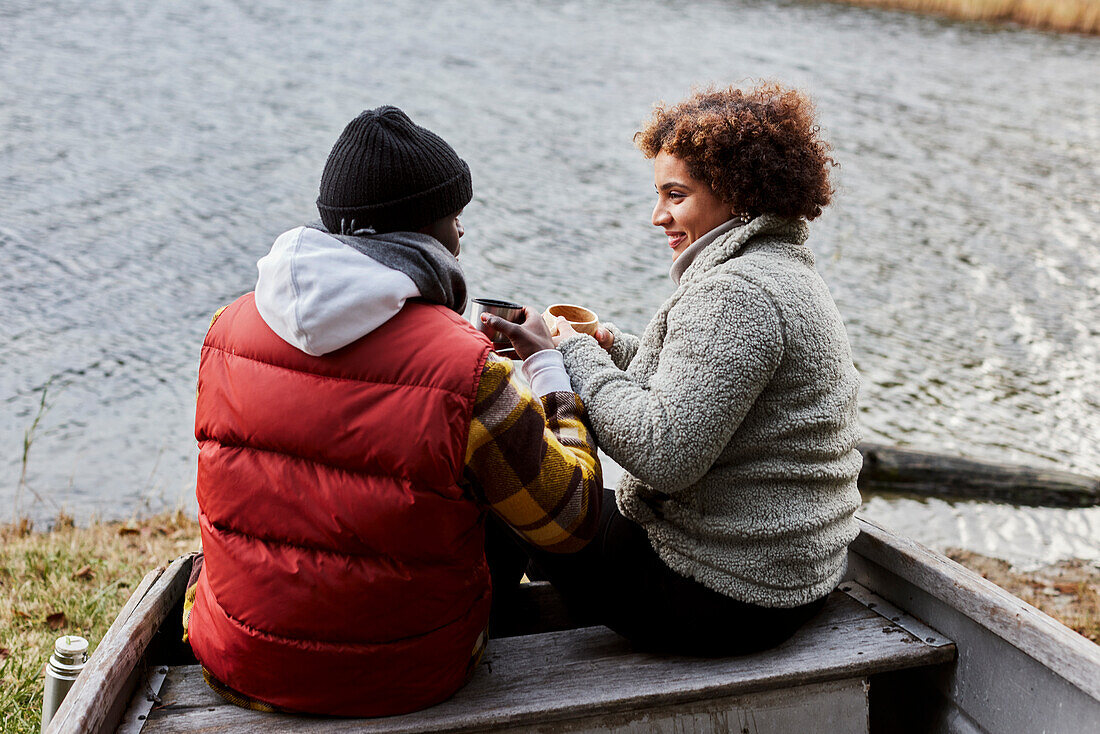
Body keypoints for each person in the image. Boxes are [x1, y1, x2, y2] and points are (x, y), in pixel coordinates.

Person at [183, 106, 602, 717]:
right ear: (427, 235)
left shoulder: (227, 329)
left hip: (240, 660)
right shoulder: (469, 369)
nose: (463, 237)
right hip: (405, 679)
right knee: (504, 488)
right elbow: (571, 523)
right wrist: (547, 375)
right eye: (456, 220)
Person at [484, 82, 862, 656]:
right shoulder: (780, 269)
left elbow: (665, 453)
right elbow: (699, 386)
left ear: (737, 193)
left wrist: (564, 355)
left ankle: (471, 640)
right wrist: (609, 345)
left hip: (719, 595)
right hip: (783, 576)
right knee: (548, 486)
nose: (657, 215)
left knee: (504, 473)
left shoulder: (738, 295)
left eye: (675, 195)